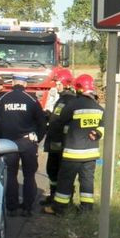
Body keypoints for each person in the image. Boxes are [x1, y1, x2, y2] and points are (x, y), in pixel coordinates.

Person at [47, 73, 103, 215]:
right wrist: (97, 133)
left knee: (65, 180)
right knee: (87, 180)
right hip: (91, 153)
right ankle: (86, 209)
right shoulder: (99, 108)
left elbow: (59, 122)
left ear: (78, 88)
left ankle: (59, 209)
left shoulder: (73, 105)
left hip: (73, 152)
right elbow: (103, 127)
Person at [0, 74, 46, 216]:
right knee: (29, 175)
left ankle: (12, 208)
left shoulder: (3, 99)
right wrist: (37, 139)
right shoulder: (32, 100)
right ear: (25, 85)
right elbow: (42, 123)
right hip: (28, 143)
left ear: (13, 83)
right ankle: (27, 208)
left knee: (11, 175)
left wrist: (0, 138)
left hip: (8, 143)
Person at [40, 68, 75, 207]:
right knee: (52, 169)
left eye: (58, 83)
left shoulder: (70, 100)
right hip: (55, 142)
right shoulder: (62, 99)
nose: (56, 85)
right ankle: (53, 195)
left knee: (61, 172)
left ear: (66, 83)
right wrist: (49, 116)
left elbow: (67, 122)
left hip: (62, 143)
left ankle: (63, 201)